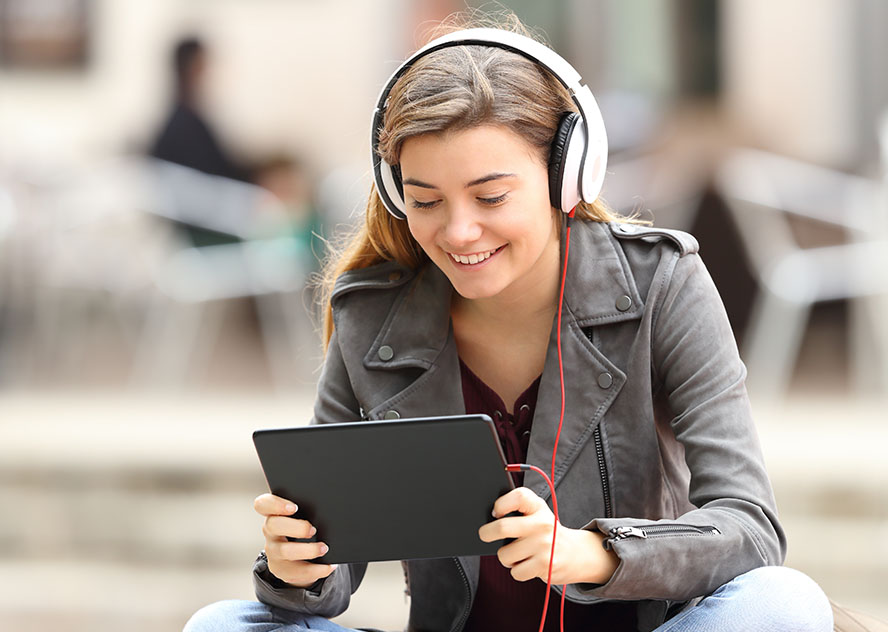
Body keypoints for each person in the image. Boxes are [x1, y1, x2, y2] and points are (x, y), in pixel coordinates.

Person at [184, 12, 834, 632]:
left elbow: (750, 526)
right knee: (217, 625)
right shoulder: (371, 316)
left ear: (566, 176)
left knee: (785, 604)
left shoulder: (662, 283)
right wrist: (298, 567)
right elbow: (336, 564)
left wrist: (594, 554)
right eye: (425, 201)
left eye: (491, 196)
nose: (459, 231)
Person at [150, 36, 255, 183]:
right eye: (202, 65)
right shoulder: (184, 124)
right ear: (192, 68)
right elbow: (215, 171)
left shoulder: (187, 117)